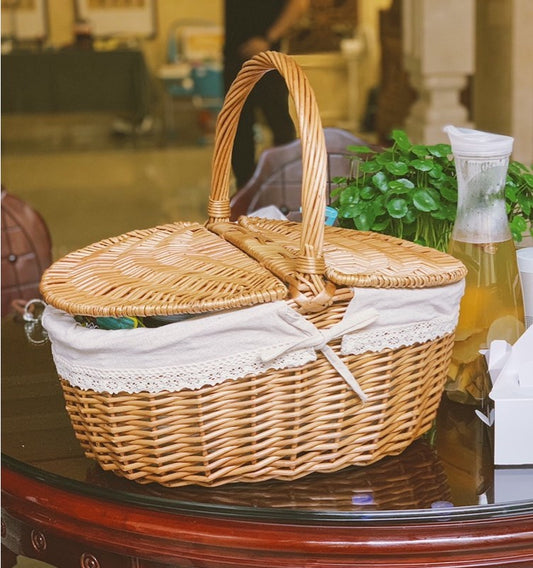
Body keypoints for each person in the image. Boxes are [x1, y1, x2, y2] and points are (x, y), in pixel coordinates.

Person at [223, 0, 310, 189]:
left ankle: (287, 187)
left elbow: (299, 5)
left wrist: (267, 38)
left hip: (267, 58)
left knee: (280, 125)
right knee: (237, 129)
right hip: (233, 58)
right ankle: (245, 191)